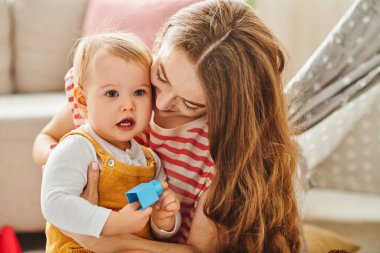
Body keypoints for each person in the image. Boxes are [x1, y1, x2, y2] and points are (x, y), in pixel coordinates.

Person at [33, 0, 302, 252]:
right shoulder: (121, 83)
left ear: (223, 108)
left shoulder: (220, 159)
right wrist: (67, 161)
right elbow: (46, 138)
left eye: (190, 104)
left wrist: (113, 242)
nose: (160, 102)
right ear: (160, 43)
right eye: (161, 76)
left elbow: (196, 250)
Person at [40, 32, 181, 253]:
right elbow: (54, 203)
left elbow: (155, 230)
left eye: (139, 92)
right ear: (83, 101)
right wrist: (113, 222)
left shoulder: (149, 160)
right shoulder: (77, 147)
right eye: (112, 93)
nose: (128, 104)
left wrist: (163, 220)